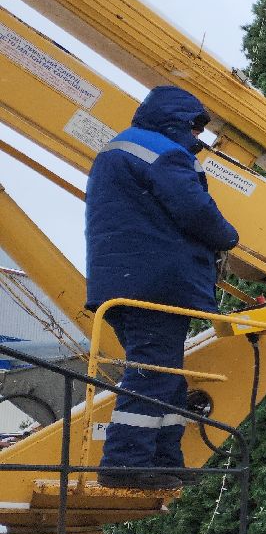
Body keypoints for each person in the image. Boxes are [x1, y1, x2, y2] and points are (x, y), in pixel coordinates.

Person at [86, 86, 239, 490]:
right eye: (194, 127)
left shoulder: (121, 149)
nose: (197, 139)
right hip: (156, 286)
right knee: (152, 372)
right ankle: (124, 461)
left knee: (167, 375)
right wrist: (228, 237)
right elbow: (194, 210)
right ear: (177, 121)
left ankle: (165, 459)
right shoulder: (165, 153)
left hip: (124, 283)